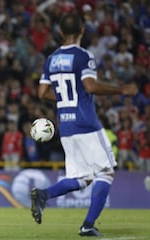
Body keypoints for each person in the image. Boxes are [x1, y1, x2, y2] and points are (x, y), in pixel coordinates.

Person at [30, 13, 138, 237]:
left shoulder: (51, 59)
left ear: (60, 32)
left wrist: (65, 101)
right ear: (82, 31)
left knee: (84, 178)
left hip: (66, 126)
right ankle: (88, 225)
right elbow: (89, 86)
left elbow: (42, 92)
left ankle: (44, 195)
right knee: (106, 172)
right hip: (86, 123)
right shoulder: (83, 56)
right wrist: (122, 90)